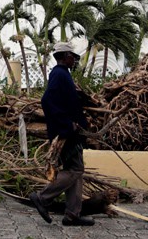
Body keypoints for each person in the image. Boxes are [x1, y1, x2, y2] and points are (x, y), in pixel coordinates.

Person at [29, 41, 95, 226]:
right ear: (65, 56)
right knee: (76, 169)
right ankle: (43, 197)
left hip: (70, 131)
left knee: (75, 171)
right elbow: (47, 100)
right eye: (72, 56)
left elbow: (65, 100)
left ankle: (72, 215)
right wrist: (67, 124)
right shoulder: (59, 74)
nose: (74, 60)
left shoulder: (62, 74)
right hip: (66, 133)